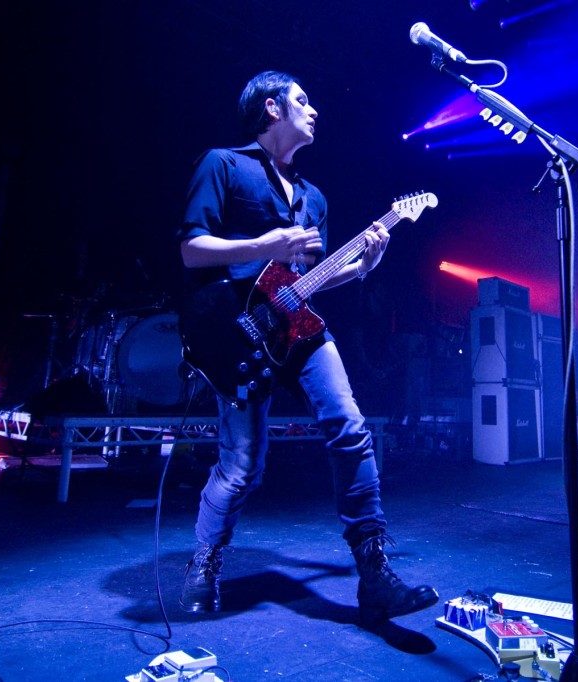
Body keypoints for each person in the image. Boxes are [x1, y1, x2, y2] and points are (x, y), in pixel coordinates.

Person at [175, 70, 438, 621]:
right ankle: (204, 561)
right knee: (242, 466)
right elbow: (192, 249)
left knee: (350, 426)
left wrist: (362, 267)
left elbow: (308, 281)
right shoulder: (223, 165)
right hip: (235, 331)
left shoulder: (314, 198)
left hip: (299, 328)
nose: (314, 109)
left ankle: (373, 570)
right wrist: (263, 244)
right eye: (302, 100)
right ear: (272, 107)